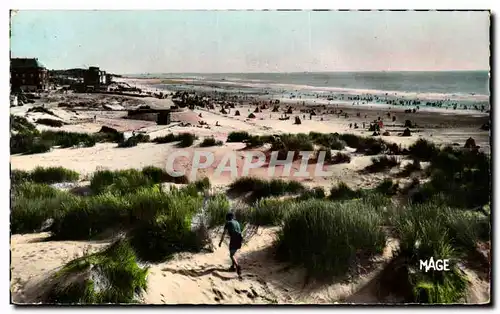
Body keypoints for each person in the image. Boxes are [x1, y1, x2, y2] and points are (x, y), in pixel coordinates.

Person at [219, 212, 243, 276]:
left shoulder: (228, 223)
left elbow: (224, 233)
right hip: (240, 237)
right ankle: (233, 267)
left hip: (234, 238)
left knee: (231, 255)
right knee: (233, 253)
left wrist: (220, 242)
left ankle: (237, 266)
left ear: (227, 218)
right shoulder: (237, 222)